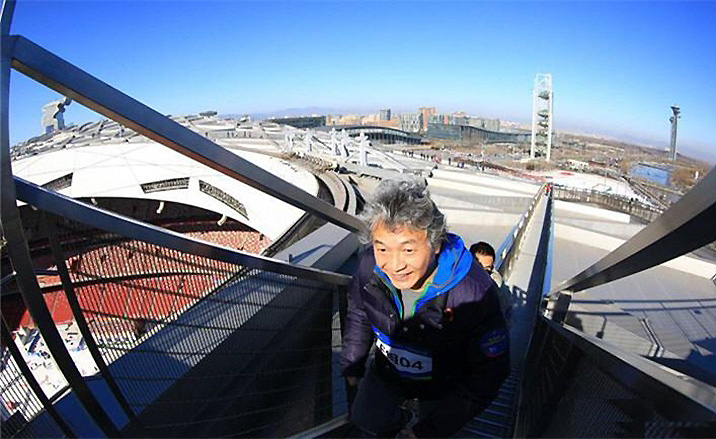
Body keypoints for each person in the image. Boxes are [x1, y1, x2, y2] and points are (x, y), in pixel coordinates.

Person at [341, 178, 509, 438]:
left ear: (435, 243)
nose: (394, 264)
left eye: (408, 249)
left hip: (441, 389)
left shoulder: (475, 292)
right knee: (365, 421)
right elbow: (359, 312)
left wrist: (429, 431)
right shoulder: (368, 267)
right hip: (385, 374)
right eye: (382, 248)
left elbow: (489, 373)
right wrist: (352, 365)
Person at [470, 241, 512, 326]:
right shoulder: (461, 284)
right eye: (479, 267)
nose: (483, 272)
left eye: (487, 268)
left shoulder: (497, 283)